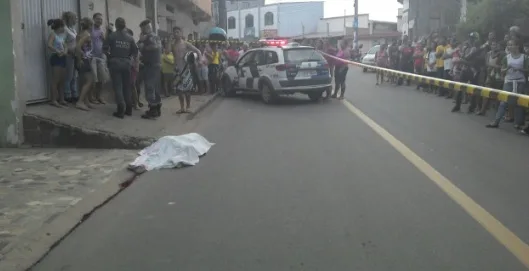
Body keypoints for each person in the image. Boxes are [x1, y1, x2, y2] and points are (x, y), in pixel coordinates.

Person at [486, 39, 528, 129]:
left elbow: (527, 70)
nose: (510, 47)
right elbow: (502, 70)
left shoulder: (524, 57)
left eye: (512, 45)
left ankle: (518, 123)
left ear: (517, 46)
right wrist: (507, 69)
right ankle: (496, 121)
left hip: (520, 81)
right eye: (509, 45)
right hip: (509, 81)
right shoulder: (507, 57)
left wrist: (519, 69)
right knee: (503, 101)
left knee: (519, 102)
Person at [105, 17, 138, 118]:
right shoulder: (130, 37)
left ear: (116, 25)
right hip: (126, 63)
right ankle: (129, 109)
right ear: (125, 25)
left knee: (118, 86)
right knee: (126, 87)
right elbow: (135, 52)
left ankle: (121, 108)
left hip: (115, 63)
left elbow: (105, 48)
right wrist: (130, 59)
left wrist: (110, 57)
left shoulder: (112, 36)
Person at [171, 26, 201, 113]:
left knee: (187, 91)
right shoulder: (173, 45)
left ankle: (188, 107)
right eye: (174, 32)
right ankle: (182, 107)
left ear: (181, 33)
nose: (176, 34)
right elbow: (167, 51)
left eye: (177, 32)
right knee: (179, 91)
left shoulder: (186, 44)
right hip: (177, 70)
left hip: (186, 70)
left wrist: (199, 60)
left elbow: (198, 51)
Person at [137, 19, 162, 119]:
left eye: (144, 28)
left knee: (149, 88)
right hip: (154, 65)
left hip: (151, 65)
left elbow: (155, 47)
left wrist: (142, 44)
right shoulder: (153, 36)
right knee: (155, 88)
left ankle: (153, 110)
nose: (142, 30)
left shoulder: (150, 36)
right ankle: (157, 107)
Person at [452, 32, 481, 113]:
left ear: (476, 40)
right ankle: (457, 106)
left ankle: (472, 107)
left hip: (473, 70)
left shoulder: (477, 49)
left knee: (474, 89)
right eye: (470, 38)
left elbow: (473, 62)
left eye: (472, 38)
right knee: (460, 88)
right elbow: (462, 57)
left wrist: (463, 60)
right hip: (464, 69)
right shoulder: (465, 48)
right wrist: (462, 59)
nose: (470, 40)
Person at [477, 40, 503, 116]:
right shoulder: (488, 54)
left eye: (495, 45)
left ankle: (497, 113)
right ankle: (482, 110)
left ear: (498, 46)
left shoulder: (501, 54)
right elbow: (486, 63)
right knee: (486, 93)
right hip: (489, 75)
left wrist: (493, 66)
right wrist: (492, 66)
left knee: (498, 95)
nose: (494, 46)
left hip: (498, 76)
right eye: (492, 45)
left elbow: (502, 66)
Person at [74, 17, 95, 111]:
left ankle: (85, 101)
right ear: (90, 25)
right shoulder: (86, 35)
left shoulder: (80, 33)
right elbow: (77, 46)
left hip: (82, 59)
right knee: (89, 81)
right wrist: (80, 57)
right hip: (84, 59)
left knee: (84, 81)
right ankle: (80, 102)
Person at [46, 19, 68, 108]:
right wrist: (57, 51)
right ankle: (53, 100)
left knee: (62, 80)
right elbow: (49, 45)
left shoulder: (62, 36)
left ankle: (62, 99)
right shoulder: (53, 34)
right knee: (56, 80)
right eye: (63, 26)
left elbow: (65, 45)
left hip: (63, 57)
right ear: (59, 27)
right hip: (56, 57)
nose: (64, 28)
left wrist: (65, 51)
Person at [90, 13, 109, 104]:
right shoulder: (90, 29)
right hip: (92, 56)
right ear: (94, 19)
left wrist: (104, 37)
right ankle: (92, 97)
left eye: (101, 19)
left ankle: (99, 96)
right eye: (98, 19)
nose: (99, 21)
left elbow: (105, 42)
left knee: (102, 79)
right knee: (94, 78)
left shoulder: (102, 30)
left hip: (101, 56)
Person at [62, 11, 78, 103]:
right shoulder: (65, 29)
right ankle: (67, 95)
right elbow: (62, 42)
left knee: (74, 76)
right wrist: (67, 50)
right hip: (69, 54)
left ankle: (74, 94)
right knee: (69, 76)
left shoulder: (73, 29)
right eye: (74, 18)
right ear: (70, 19)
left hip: (75, 55)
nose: (76, 20)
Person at [126, 28, 143, 110]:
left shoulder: (133, 45)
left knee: (133, 86)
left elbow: (137, 58)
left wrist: (135, 68)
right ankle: (131, 103)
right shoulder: (127, 44)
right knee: (129, 87)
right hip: (128, 68)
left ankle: (135, 104)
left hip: (132, 69)